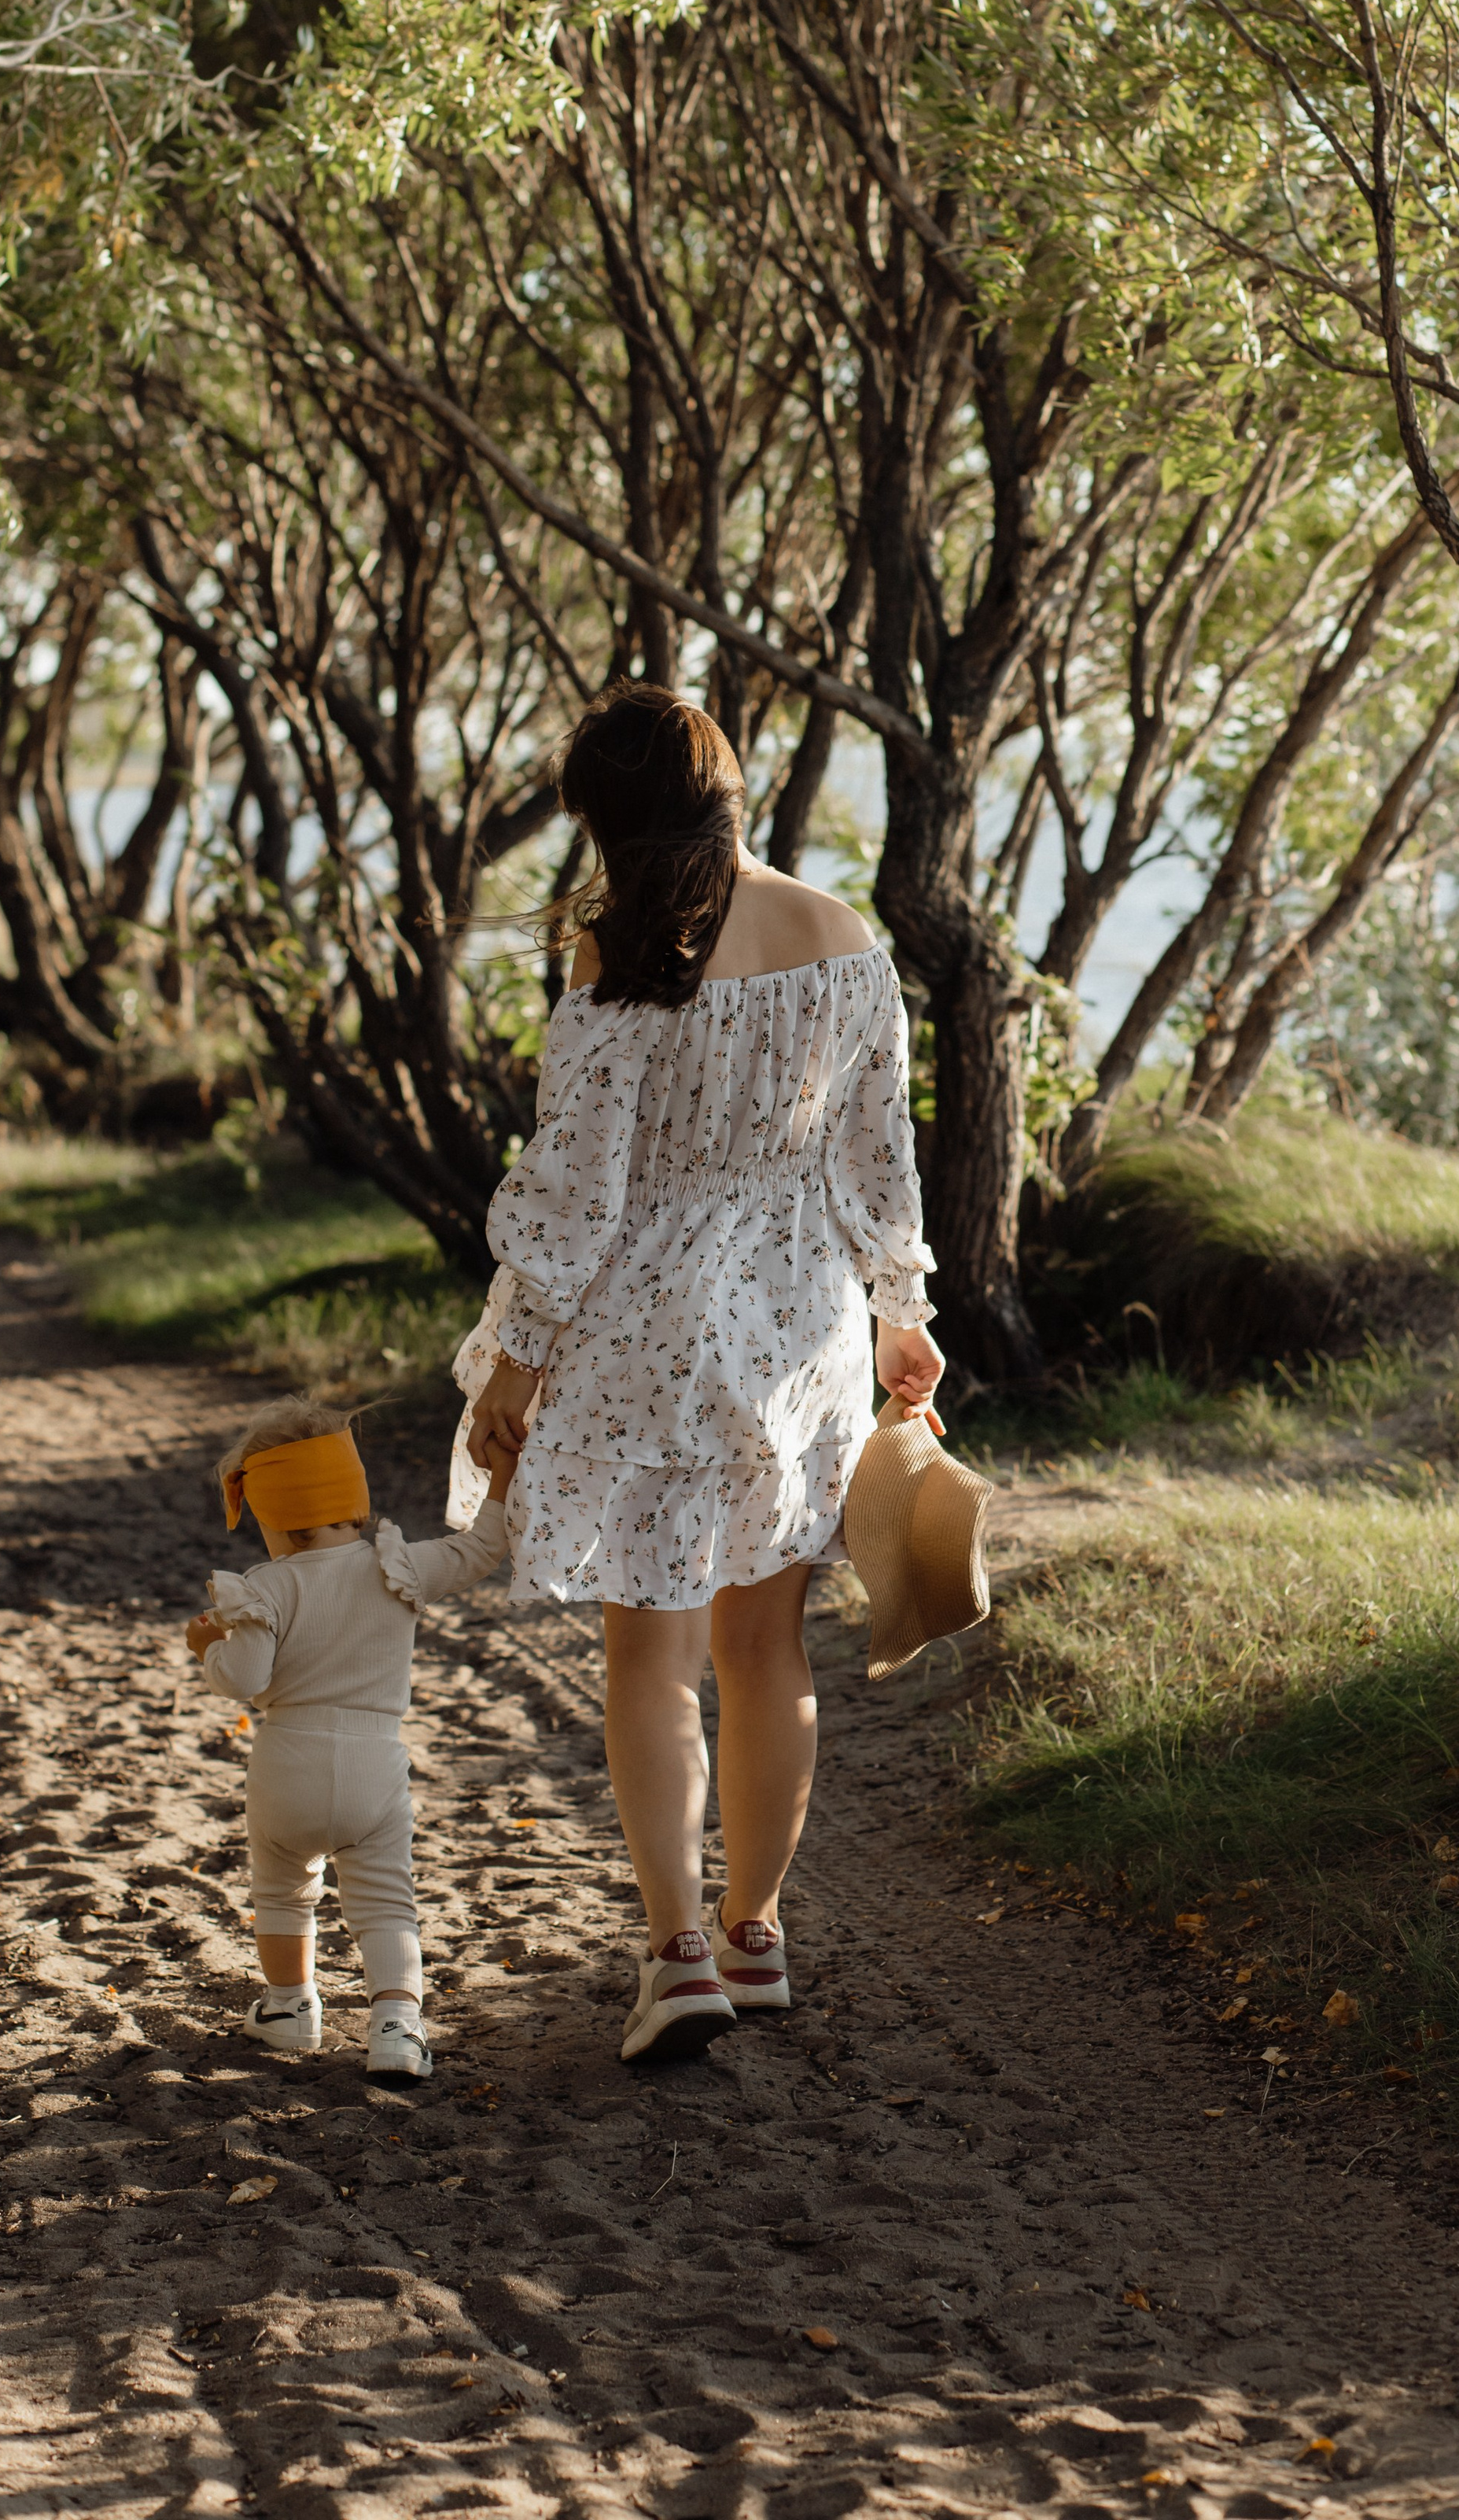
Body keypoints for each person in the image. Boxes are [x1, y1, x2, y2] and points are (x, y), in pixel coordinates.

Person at [452, 682, 944, 2062]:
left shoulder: (617, 956)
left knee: (650, 1656)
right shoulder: (841, 937)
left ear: (607, 819)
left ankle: (674, 1955)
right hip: (799, 1331)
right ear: (732, 789)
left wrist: (518, 1360)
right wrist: (900, 1311)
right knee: (767, 1647)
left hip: (640, 1344)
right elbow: (874, 1161)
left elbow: (580, 1193)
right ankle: (756, 1934)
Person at [186, 1394, 509, 2072]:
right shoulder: (399, 1566)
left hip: (286, 1762)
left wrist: (207, 1649)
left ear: (270, 1513)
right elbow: (485, 1547)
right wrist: (502, 1480)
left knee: (280, 1890)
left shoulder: (264, 1587)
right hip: (374, 1762)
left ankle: (289, 2008)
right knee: (389, 1897)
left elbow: (243, 1679)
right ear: (353, 1497)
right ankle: (395, 2028)